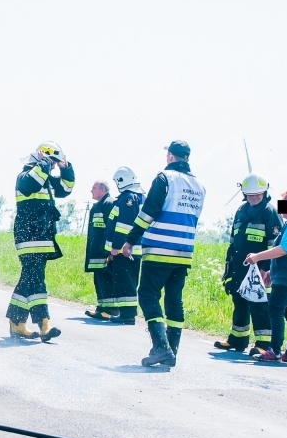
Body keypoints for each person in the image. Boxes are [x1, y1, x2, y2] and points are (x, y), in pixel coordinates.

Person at [121, 140, 206, 366]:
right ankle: (171, 350)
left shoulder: (164, 178)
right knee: (174, 300)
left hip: (160, 248)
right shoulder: (199, 186)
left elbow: (147, 213)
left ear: (170, 156)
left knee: (148, 295)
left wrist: (130, 240)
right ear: (188, 157)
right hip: (184, 251)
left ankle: (160, 346)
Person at [5, 141, 75, 341]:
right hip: (28, 237)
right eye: (50, 162)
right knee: (36, 279)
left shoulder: (45, 179)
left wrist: (66, 168)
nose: (52, 165)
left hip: (43, 237)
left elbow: (65, 189)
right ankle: (44, 323)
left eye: (53, 163)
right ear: (40, 158)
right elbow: (30, 185)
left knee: (29, 279)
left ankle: (16, 322)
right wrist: (44, 164)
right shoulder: (25, 176)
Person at [214, 173, 283, 355]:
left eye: (257, 195)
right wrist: (229, 266)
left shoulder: (270, 212)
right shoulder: (241, 211)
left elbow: (274, 245)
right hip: (239, 266)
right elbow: (233, 242)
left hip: (259, 269)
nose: (253, 198)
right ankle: (238, 338)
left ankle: (263, 343)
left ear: (264, 193)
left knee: (259, 305)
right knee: (239, 301)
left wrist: (266, 268)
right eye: (250, 195)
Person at [247, 190, 287, 363]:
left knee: (275, 309)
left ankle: (274, 350)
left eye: (282, 203)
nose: (279, 207)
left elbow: (284, 249)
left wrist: (257, 256)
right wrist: (270, 273)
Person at [105, 167, 146, 325]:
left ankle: (127, 315)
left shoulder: (128, 198)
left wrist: (116, 246)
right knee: (130, 280)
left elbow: (124, 225)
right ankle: (127, 313)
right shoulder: (140, 196)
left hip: (125, 250)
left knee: (125, 281)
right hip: (133, 249)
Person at [83, 181, 115, 321]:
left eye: (94, 188)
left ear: (102, 189)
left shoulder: (109, 204)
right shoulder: (98, 206)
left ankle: (109, 310)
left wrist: (108, 251)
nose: (91, 190)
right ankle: (101, 308)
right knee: (99, 280)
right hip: (96, 252)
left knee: (106, 280)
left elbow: (110, 229)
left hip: (103, 252)